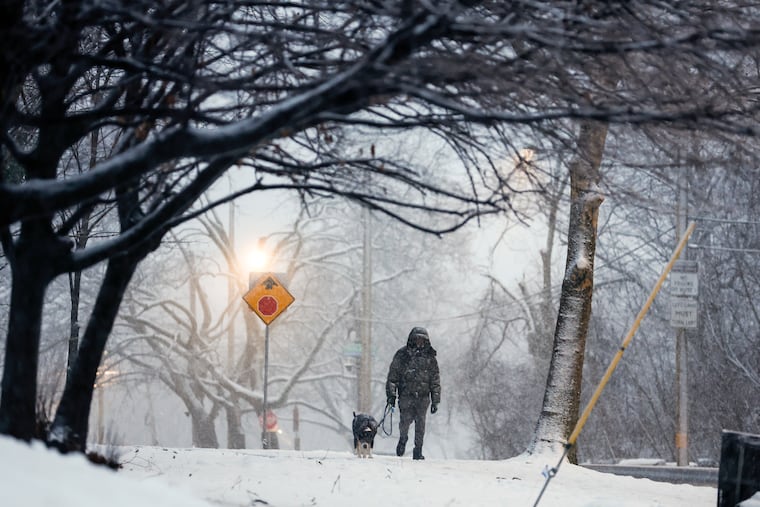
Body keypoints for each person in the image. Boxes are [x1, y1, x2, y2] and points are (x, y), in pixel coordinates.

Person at [385, 326, 441, 460]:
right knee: (405, 422)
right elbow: (393, 377)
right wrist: (391, 395)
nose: (419, 342)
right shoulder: (402, 355)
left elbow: (435, 380)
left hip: (423, 397)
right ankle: (403, 439)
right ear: (412, 339)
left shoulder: (430, 357)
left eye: (422, 340)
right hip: (406, 396)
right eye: (417, 339)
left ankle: (418, 450)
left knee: (420, 425)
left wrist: (435, 400)